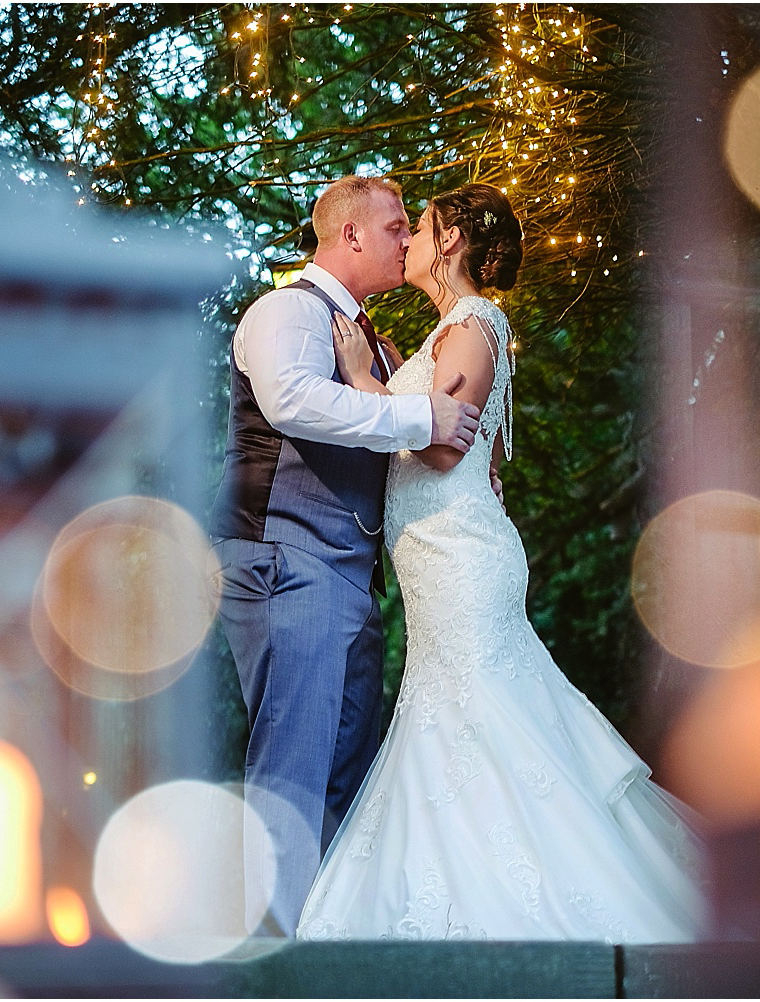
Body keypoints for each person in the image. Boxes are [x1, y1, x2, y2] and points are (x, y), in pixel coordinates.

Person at [296, 183, 709, 942]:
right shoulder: (441, 335)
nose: (409, 241)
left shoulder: (476, 322)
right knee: (457, 717)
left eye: (417, 228)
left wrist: (360, 380)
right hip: (433, 557)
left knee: (481, 714)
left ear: (450, 242)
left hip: (463, 559)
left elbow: (440, 441)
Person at [210, 175, 486, 936]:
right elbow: (292, 398)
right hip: (284, 559)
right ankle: (267, 963)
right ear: (351, 235)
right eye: (397, 227)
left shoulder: (373, 341)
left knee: (344, 774)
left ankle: (324, 949)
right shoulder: (288, 311)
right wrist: (418, 411)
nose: (407, 240)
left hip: (346, 577)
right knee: (292, 771)